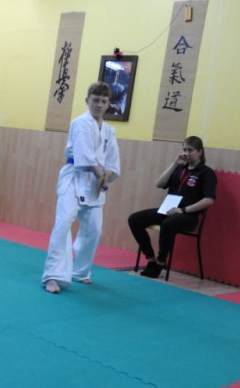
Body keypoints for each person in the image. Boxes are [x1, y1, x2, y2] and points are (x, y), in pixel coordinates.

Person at [42, 81, 121, 294]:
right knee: (64, 223)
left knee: (94, 230)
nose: (99, 105)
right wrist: (100, 174)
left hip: (96, 182)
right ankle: (53, 275)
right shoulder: (80, 123)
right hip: (74, 178)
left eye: (103, 101)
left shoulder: (109, 131)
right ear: (87, 101)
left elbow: (113, 162)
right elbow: (83, 155)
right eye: (95, 100)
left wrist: (106, 175)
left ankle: (80, 271)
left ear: (108, 104)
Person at [128, 136, 217, 278]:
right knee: (134, 219)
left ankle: (161, 262)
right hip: (168, 210)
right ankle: (151, 259)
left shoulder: (206, 173)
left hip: (188, 215)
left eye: (190, 150)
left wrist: (182, 210)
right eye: (184, 150)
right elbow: (159, 183)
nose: (186, 153)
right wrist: (174, 164)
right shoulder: (179, 169)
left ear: (200, 152)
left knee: (168, 224)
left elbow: (209, 200)